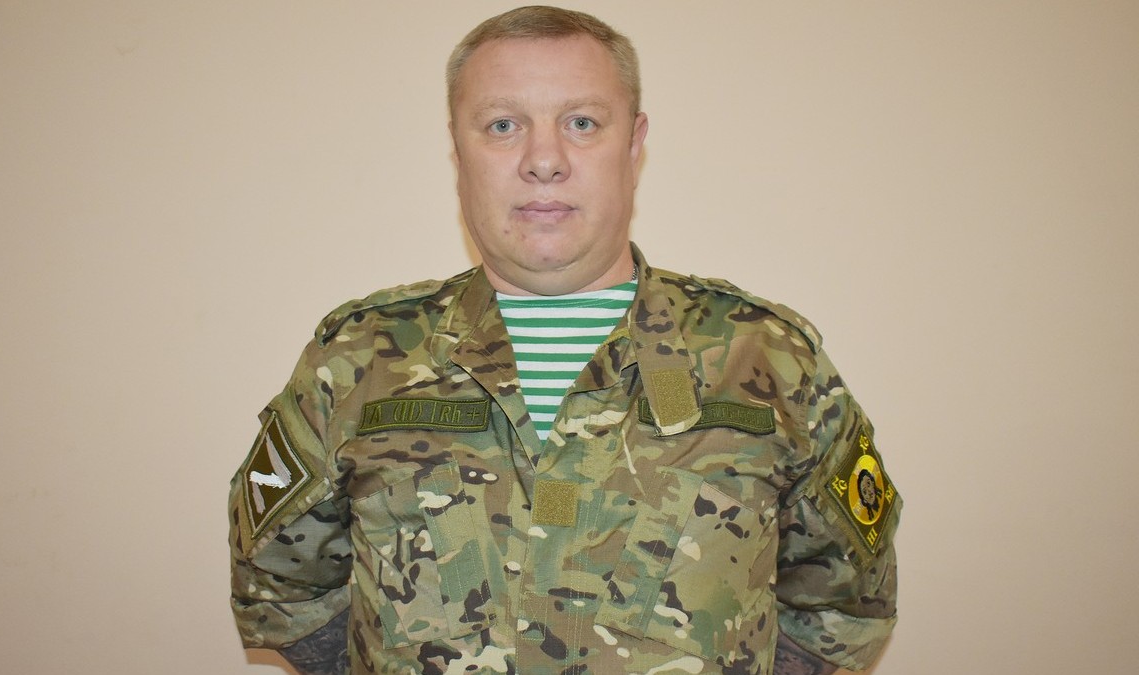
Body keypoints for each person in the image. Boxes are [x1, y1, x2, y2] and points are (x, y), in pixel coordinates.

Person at [228, 6, 901, 674]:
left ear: (633, 145)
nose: (544, 160)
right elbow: (281, 591)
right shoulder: (357, 360)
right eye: (503, 125)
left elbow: (845, 603)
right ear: (459, 150)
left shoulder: (769, 359)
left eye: (582, 123)